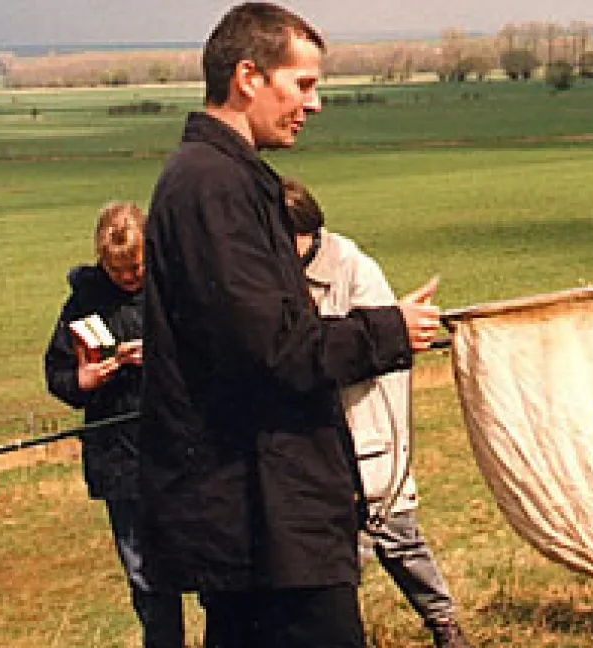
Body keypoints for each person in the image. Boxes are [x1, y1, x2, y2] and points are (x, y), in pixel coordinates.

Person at [140, 4, 440, 647]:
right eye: (302, 84)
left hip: (267, 511)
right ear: (249, 76)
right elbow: (271, 350)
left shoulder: (222, 179)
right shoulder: (212, 186)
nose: (316, 103)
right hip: (261, 516)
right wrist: (389, 331)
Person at [283, 177, 472, 648]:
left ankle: (444, 624)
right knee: (334, 559)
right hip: (311, 437)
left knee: (396, 537)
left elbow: (375, 346)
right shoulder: (274, 275)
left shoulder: (352, 267)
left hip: (365, 424)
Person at [44, 201, 185, 648]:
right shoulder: (83, 302)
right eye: (117, 270)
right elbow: (59, 374)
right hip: (119, 457)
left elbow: (213, 354)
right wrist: (82, 380)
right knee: (143, 573)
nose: (128, 278)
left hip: (182, 450)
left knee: (204, 563)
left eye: (136, 268)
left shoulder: (176, 289)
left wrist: (162, 358)